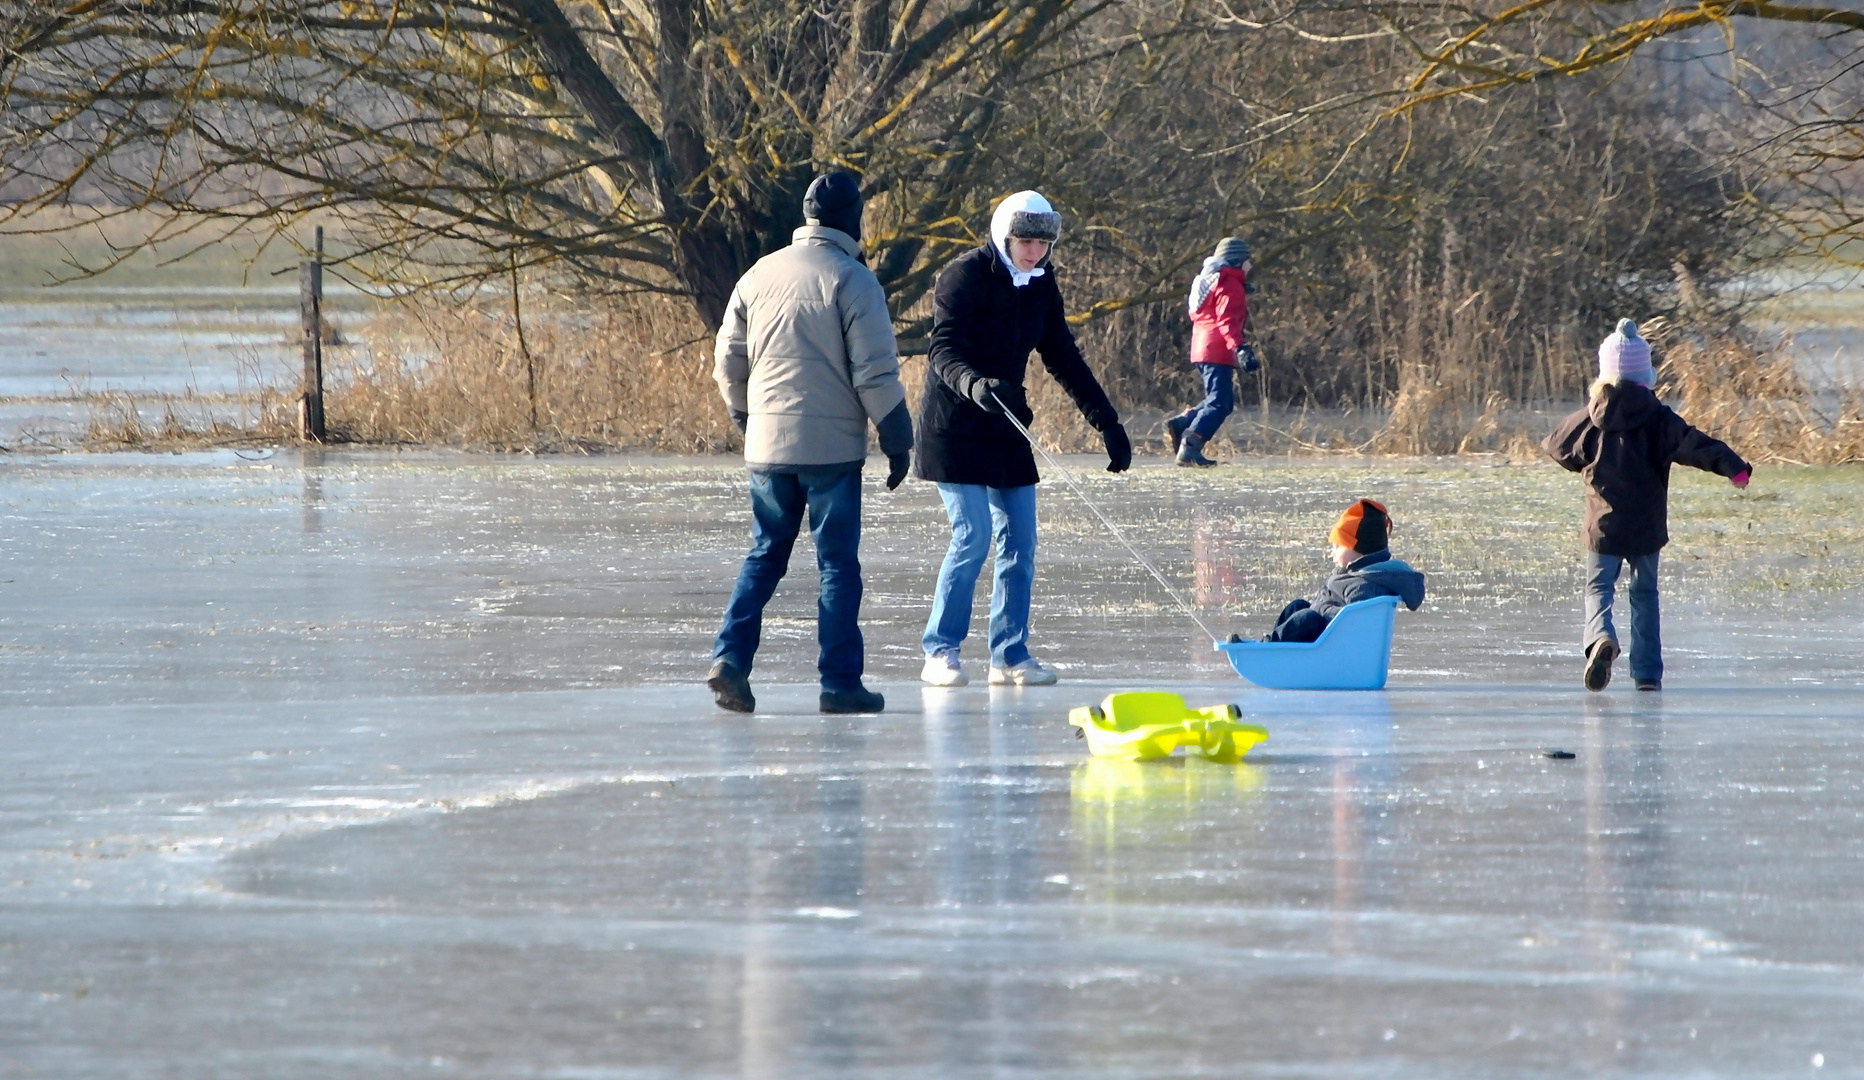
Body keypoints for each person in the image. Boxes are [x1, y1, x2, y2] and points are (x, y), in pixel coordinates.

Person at [707, 171, 914, 715]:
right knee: (837, 566)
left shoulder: (757, 275)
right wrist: (898, 438)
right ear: (853, 219)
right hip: (831, 454)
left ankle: (730, 659)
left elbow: (728, 363)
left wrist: (747, 419)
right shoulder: (853, 280)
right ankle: (840, 684)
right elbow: (874, 373)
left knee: (764, 553)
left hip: (767, 449)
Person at [914, 190, 1133, 688]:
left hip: (1005, 423)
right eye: (1025, 241)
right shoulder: (963, 276)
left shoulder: (1040, 285)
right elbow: (942, 351)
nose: (1034, 252)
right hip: (953, 427)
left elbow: (1062, 355)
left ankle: (1009, 654)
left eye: (1042, 242)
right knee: (973, 536)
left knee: (1021, 542)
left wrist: (1107, 422)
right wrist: (977, 385)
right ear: (1003, 236)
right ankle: (940, 650)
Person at [1542, 319, 1751, 692]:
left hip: (1602, 527)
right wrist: (1734, 468)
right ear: (1646, 374)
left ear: (1604, 373)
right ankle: (1647, 675)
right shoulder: (1659, 419)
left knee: (1598, 589)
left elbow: (1556, 445)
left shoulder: (1591, 418)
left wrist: (1583, 463)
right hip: (1646, 528)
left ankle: (1601, 639)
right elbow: (1695, 445)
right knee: (1644, 596)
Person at [1251, 499, 1425, 643]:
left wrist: (1321, 609)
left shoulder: (1366, 584)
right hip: (1325, 634)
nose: (1332, 553)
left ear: (1360, 550)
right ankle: (1273, 645)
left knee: (1308, 618)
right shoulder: (1349, 574)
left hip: (1335, 645)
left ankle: (1272, 648)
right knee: (1298, 606)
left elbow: (1354, 623)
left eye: (1338, 546)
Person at [1167, 236, 1258, 467]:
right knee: (1220, 402)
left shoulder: (1213, 281)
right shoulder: (1229, 285)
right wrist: (1240, 348)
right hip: (1216, 348)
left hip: (1203, 347)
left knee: (1217, 400)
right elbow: (1226, 321)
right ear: (1237, 261)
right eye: (1248, 260)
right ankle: (1190, 446)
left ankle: (1184, 423)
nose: (1251, 265)